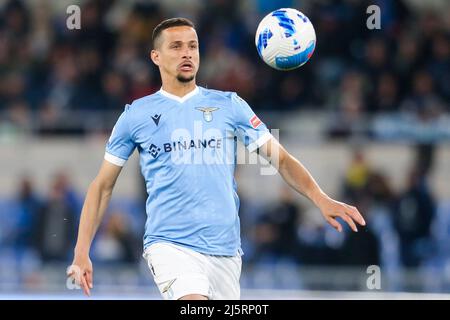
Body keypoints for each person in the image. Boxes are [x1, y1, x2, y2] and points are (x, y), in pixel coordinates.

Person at [67, 18, 365, 300]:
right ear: (156, 56)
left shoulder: (229, 105)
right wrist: (82, 251)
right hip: (170, 245)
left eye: (193, 46)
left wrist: (320, 197)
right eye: (176, 46)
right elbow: (102, 186)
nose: (187, 53)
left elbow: (281, 160)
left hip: (226, 250)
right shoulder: (136, 115)